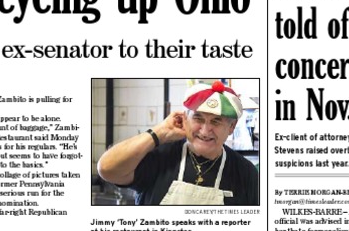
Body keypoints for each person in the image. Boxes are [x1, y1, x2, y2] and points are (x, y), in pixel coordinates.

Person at [98, 81, 259, 206]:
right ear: (184, 118)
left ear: (231, 127)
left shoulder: (246, 173)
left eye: (216, 121)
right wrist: (159, 132)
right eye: (198, 118)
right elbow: (107, 169)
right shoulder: (160, 156)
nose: (205, 130)